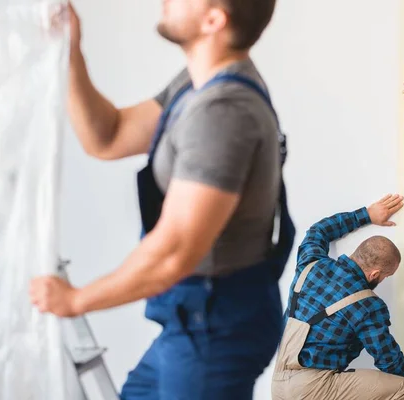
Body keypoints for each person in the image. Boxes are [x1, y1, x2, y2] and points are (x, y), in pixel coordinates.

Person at [29, 1, 296, 399]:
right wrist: (71, 53)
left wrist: (77, 299)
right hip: (195, 316)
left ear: (214, 19)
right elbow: (109, 136)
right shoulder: (195, 86)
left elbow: (175, 252)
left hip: (216, 324)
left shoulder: (223, 111)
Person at [271, 194, 404, 400]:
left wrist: (366, 215)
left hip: (278, 383)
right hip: (312, 389)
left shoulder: (311, 265)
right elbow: (388, 358)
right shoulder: (368, 305)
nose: (383, 280)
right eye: (386, 275)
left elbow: (318, 231)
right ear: (374, 274)